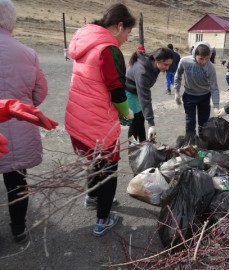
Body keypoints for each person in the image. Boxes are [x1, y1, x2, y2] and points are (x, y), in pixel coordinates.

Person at [64, 3, 136, 236]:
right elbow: (115, 89)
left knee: (94, 161)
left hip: (79, 118)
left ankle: (91, 197)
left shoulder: (86, 41)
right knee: (108, 169)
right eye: (128, 33)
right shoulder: (107, 49)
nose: (126, 38)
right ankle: (102, 220)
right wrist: (126, 112)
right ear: (119, 26)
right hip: (98, 122)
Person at [0, 0, 56, 243]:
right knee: (17, 181)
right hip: (18, 123)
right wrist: (24, 103)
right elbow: (40, 92)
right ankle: (19, 228)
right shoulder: (27, 52)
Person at [125, 47, 174, 142]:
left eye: (169, 65)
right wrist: (151, 124)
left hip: (137, 92)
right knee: (134, 123)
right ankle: (133, 151)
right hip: (129, 92)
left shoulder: (152, 63)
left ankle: (144, 145)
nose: (167, 68)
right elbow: (145, 98)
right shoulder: (142, 71)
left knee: (140, 121)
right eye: (165, 64)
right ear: (157, 60)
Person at [174, 42, 220, 136]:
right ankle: (190, 144)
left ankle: (202, 143)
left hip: (204, 96)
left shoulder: (210, 67)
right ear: (195, 54)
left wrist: (216, 106)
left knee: (203, 123)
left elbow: (214, 87)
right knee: (190, 122)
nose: (203, 61)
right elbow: (178, 75)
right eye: (201, 59)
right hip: (189, 96)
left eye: (206, 58)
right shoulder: (185, 61)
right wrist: (176, 92)